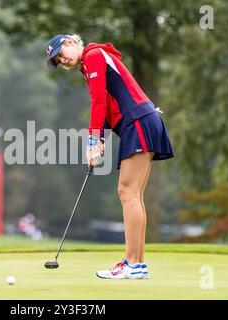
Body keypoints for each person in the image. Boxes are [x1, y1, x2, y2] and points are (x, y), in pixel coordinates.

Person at [45, 34, 174, 279]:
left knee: (127, 192)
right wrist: (100, 139)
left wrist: (92, 140)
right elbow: (108, 104)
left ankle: (132, 264)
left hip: (139, 122)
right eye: (60, 60)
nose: (64, 60)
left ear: (72, 43)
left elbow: (98, 102)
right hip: (143, 121)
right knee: (133, 194)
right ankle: (138, 264)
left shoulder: (93, 56)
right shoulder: (90, 63)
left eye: (63, 53)